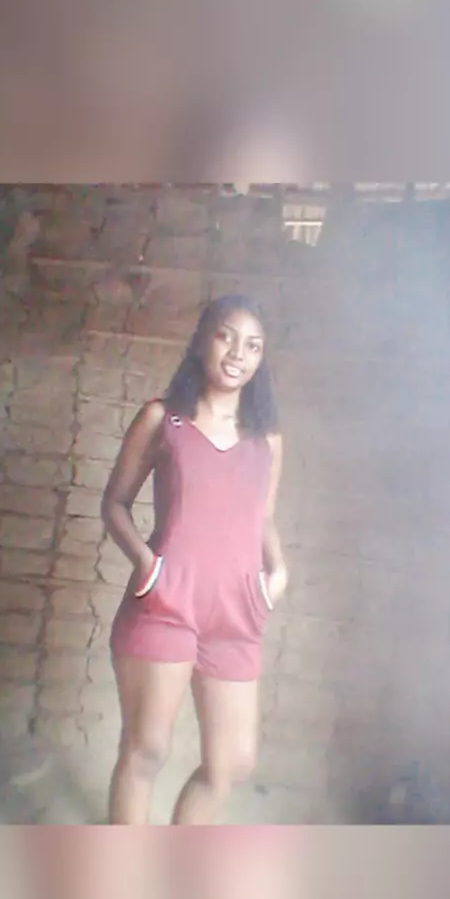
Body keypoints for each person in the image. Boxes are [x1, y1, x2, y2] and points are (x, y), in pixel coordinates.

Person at [102, 295, 288, 825]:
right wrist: (147, 566)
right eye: (227, 336)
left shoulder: (267, 439)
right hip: (167, 604)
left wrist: (279, 571)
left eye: (253, 345)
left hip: (236, 613)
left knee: (232, 763)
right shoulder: (162, 418)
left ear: (261, 358)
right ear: (203, 338)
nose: (238, 354)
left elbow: (263, 517)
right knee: (146, 751)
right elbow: (114, 503)